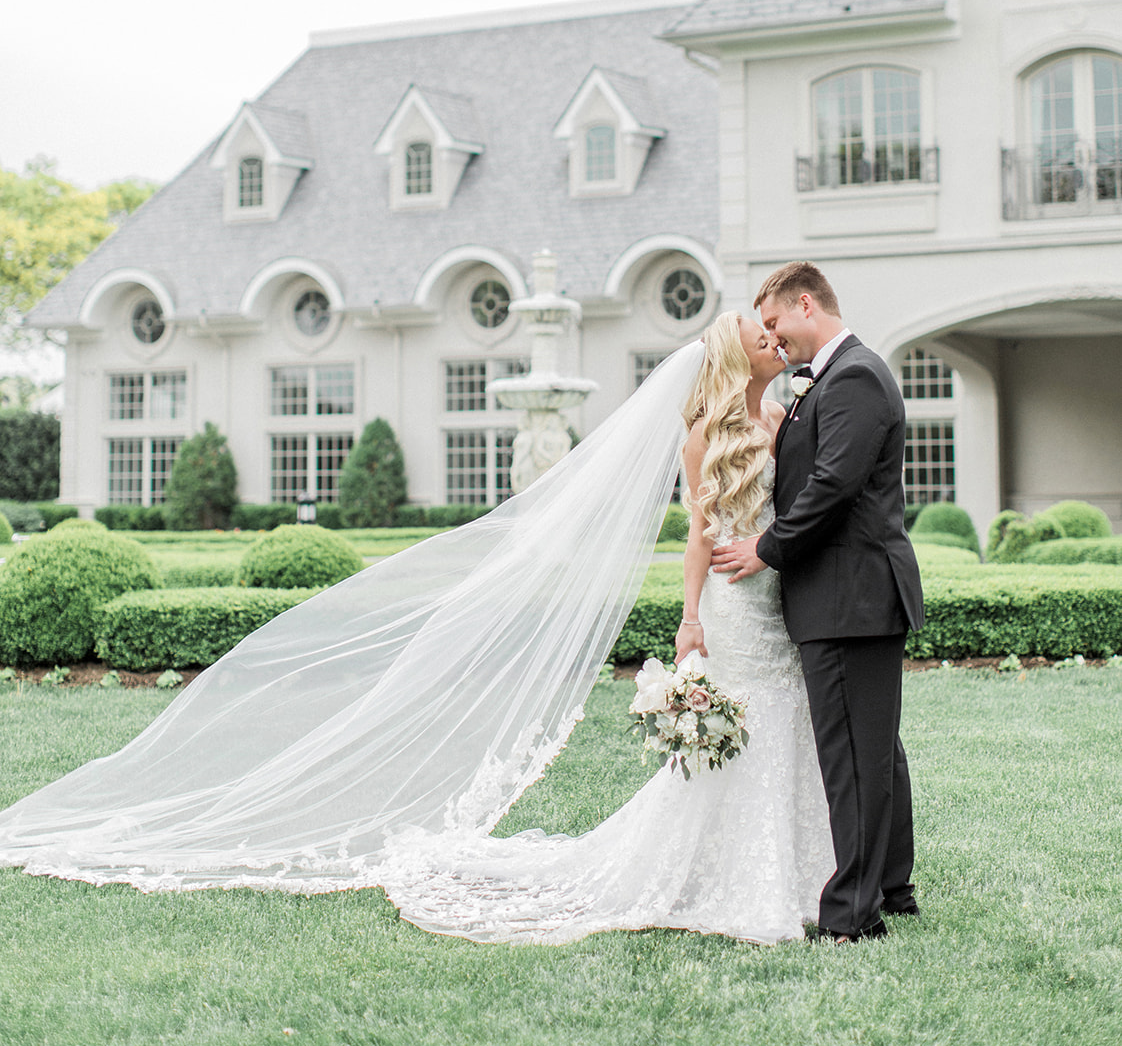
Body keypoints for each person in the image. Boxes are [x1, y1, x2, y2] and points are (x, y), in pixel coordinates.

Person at [0, 312, 832, 946]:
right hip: (731, 604)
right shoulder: (701, 438)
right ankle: (721, 876)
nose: (771, 333)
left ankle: (797, 867)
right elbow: (696, 534)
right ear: (734, 355)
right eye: (758, 330)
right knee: (747, 717)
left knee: (782, 716)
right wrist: (690, 619)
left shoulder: (787, 417)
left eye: (773, 326)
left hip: (776, 602)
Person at [710, 262, 924, 943]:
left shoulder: (854, 375)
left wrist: (764, 550)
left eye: (775, 323)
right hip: (847, 596)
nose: (774, 338)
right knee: (875, 752)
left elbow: (832, 485)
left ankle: (852, 916)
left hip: (847, 596)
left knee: (855, 761)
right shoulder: (829, 380)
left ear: (807, 304)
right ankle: (891, 887)